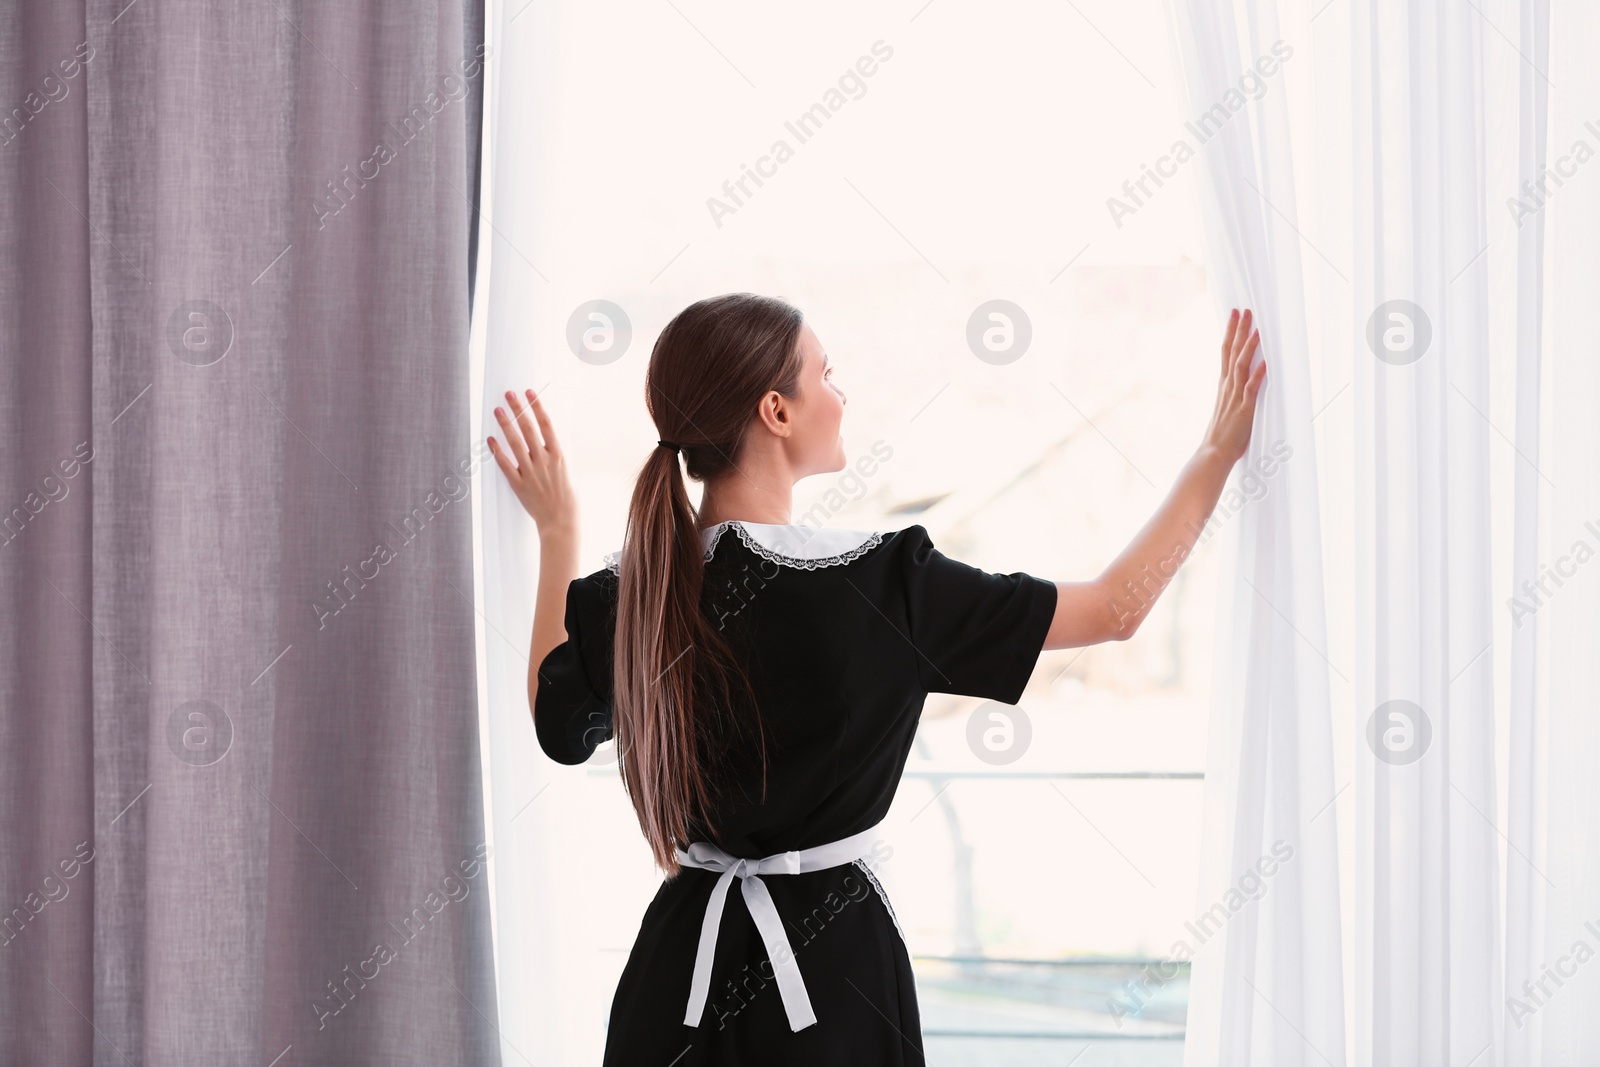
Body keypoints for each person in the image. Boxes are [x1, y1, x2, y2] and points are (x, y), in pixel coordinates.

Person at [487, 293, 1265, 1065]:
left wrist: (557, 532)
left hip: (676, 977)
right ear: (776, 411)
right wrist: (1216, 454)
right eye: (825, 373)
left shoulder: (627, 592)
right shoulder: (882, 581)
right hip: (833, 981)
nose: (841, 393)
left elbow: (554, 721)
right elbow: (1115, 608)